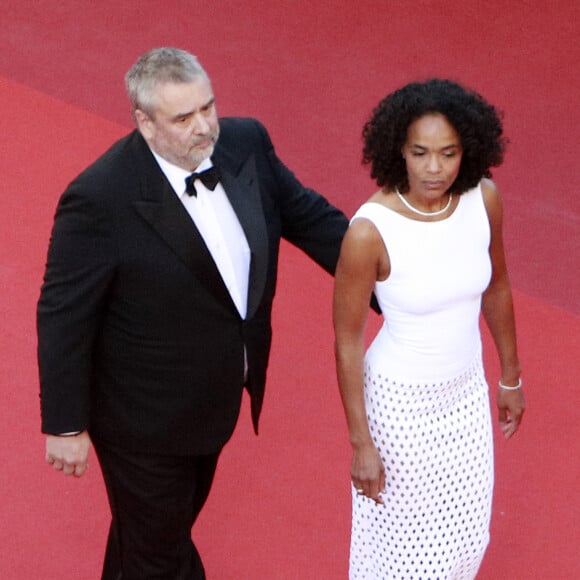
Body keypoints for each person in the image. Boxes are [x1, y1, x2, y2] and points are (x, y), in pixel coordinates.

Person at [38, 47, 350, 579]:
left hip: (213, 404)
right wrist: (65, 425)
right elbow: (64, 314)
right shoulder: (99, 196)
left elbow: (313, 221)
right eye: (183, 118)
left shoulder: (246, 141)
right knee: (162, 557)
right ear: (144, 122)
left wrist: (396, 285)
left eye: (208, 107)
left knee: (149, 538)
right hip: (140, 420)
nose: (204, 127)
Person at [333, 78, 526, 579]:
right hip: (399, 412)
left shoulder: (483, 200)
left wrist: (511, 376)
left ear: (470, 150)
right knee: (406, 556)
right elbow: (348, 341)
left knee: (464, 540)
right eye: (420, 153)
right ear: (399, 149)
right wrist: (361, 443)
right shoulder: (369, 231)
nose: (435, 168)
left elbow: (497, 285)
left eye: (449, 152)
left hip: (464, 399)